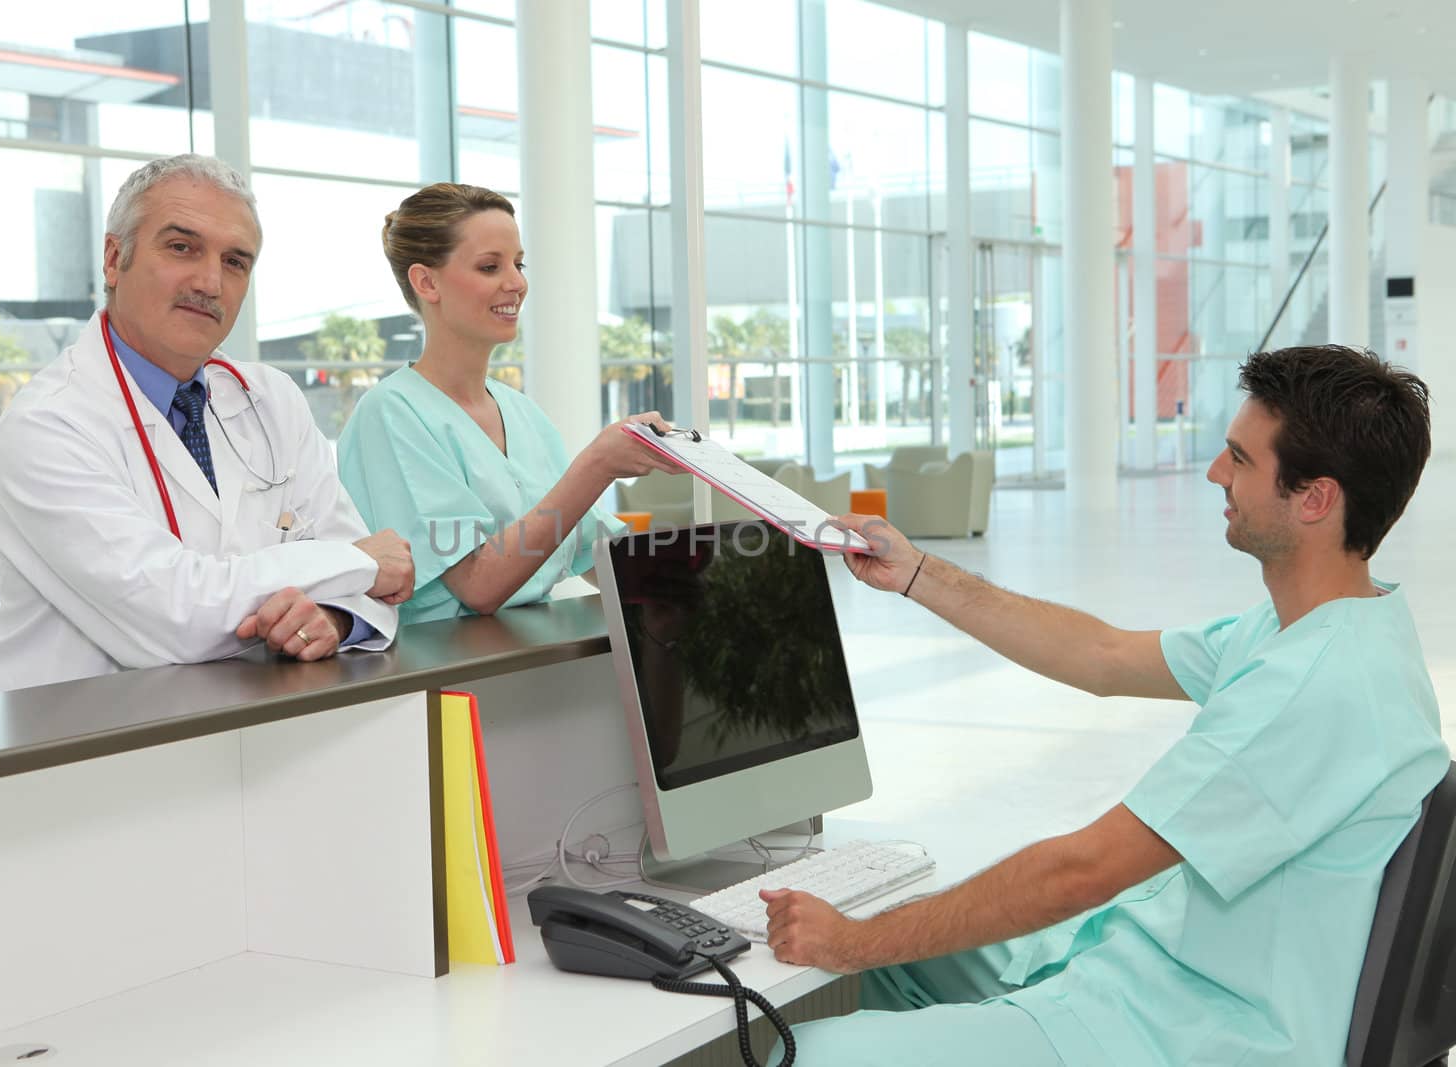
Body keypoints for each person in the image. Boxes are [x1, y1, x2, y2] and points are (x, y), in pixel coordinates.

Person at [761, 345, 1448, 1066]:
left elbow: (1081, 871)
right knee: (893, 961)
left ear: (1315, 498)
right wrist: (918, 573)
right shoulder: (1323, 626)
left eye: (1240, 460)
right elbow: (1104, 656)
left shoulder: (1314, 688)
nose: (1216, 473)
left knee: (808, 1051)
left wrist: (848, 939)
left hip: (1193, 1027)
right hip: (1151, 963)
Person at [0, 154, 414, 694]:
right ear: (115, 259)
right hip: (78, 749)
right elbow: (177, 618)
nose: (210, 282)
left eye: (235, 262)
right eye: (182, 247)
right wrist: (351, 563)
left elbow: (376, 590)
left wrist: (334, 618)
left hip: (247, 729)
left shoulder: (271, 399)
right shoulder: (48, 427)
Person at [337, 182, 683, 624]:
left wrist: (714, 572)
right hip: (447, 681)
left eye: (518, 264)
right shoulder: (390, 415)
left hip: (539, 666)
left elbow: (600, 556)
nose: (517, 283)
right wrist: (598, 465)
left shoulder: (520, 412)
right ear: (426, 282)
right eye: (489, 266)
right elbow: (479, 585)